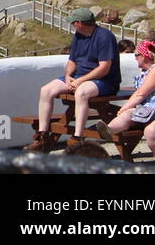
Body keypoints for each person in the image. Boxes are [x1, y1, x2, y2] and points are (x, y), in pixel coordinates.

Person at [25, 8, 121, 152]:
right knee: (46, 90)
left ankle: (77, 137)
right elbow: (72, 60)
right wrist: (69, 76)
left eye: (73, 23)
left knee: (81, 93)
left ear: (79, 23)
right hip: (79, 77)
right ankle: (42, 135)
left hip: (105, 81)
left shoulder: (104, 37)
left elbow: (104, 68)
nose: (72, 25)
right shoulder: (79, 35)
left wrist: (80, 80)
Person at [92, 40, 155, 167]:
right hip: (146, 110)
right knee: (127, 115)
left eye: (137, 55)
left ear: (145, 56)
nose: (135, 58)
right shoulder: (145, 72)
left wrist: (124, 107)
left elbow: (141, 94)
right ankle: (109, 130)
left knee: (151, 131)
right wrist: (125, 110)